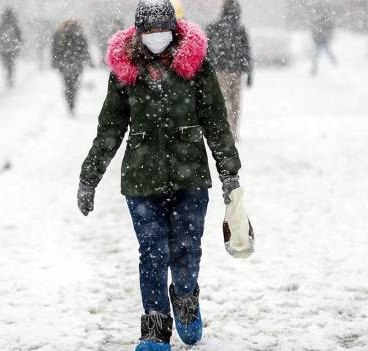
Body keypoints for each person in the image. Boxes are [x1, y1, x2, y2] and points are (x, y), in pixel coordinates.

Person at [76, 0, 242, 349]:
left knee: (186, 249)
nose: (156, 37)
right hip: (141, 180)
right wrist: (88, 178)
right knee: (152, 252)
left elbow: (216, 124)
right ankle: (154, 327)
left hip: (190, 178)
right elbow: (109, 129)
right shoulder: (126, 72)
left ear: (174, 29)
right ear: (138, 33)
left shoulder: (196, 67)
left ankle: (185, 300)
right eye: (149, 32)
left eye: (162, 30)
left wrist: (229, 174)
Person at [206, 0, 253, 141]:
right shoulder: (240, 29)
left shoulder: (213, 27)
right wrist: (249, 73)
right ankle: (233, 132)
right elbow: (246, 52)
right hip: (236, 72)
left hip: (218, 71)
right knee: (235, 104)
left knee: (220, 103)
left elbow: (207, 51)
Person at [51, 19, 92, 115]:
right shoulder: (79, 34)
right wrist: (89, 61)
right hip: (76, 63)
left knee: (67, 84)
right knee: (73, 84)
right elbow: (85, 49)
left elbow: (55, 49)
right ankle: (72, 101)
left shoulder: (60, 34)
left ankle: (70, 101)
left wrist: (54, 61)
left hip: (64, 63)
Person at [0, 8, 23, 88]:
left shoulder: (2, 23)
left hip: (3, 48)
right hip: (12, 48)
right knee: (11, 64)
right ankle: (10, 76)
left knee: (6, 63)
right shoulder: (14, 23)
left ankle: (8, 75)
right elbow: (19, 35)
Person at [311, 5, 337, 76]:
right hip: (320, 40)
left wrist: (326, 35)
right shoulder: (320, 22)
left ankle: (334, 64)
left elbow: (330, 29)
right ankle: (314, 69)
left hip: (322, 40)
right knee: (319, 54)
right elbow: (314, 31)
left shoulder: (323, 22)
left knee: (319, 54)